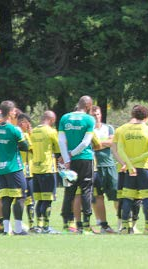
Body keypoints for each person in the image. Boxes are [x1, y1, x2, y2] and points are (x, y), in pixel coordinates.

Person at [58, 95, 96, 233]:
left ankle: (66, 225)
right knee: (86, 190)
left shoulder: (64, 118)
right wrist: (72, 154)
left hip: (69, 160)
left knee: (69, 190)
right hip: (85, 158)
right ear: (88, 106)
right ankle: (86, 225)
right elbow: (86, 143)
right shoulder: (89, 119)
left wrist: (67, 158)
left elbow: (61, 141)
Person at [117, 105, 148, 234]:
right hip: (145, 168)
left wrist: (129, 164)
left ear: (133, 116)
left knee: (127, 198)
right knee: (146, 199)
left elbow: (120, 150)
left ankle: (124, 227)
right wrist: (134, 162)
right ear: (147, 117)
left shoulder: (124, 131)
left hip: (130, 169)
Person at [0, 100, 29, 235]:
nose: (16, 112)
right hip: (14, 167)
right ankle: (19, 229)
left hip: (2, 168)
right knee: (20, 196)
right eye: (14, 110)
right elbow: (25, 147)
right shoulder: (15, 129)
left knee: (6, 199)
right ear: (10, 112)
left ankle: (6, 229)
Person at [30, 111, 60, 233]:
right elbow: (58, 150)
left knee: (40, 199)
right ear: (52, 120)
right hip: (48, 168)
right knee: (47, 199)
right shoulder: (51, 132)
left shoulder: (33, 132)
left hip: (35, 169)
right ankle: (46, 227)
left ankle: (39, 225)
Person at [90, 105, 117, 233]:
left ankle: (123, 223)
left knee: (117, 195)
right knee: (98, 197)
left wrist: (98, 144)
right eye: (93, 115)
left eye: (98, 114)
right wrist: (104, 143)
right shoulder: (88, 129)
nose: (96, 117)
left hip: (110, 165)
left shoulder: (109, 128)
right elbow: (89, 146)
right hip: (95, 167)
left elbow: (112, 142)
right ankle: (103, 225)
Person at [17, 113, 36, 232]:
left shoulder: (25, 134)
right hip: (23, 170)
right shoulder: (21, 135)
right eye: (27, 123)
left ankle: (31, 224)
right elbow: (32, 148)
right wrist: (30, 133)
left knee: (29, 198)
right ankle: (27, 224)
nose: (28, 125)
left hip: (27, 170)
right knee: (24, 198)